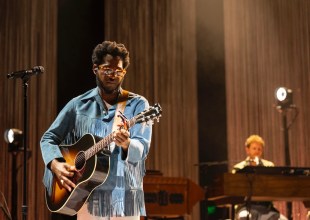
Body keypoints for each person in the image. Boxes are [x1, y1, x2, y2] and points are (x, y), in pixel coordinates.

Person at [40, 41, 152, 220]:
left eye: (119, 71)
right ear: (95, 69)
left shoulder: (138, 105)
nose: (113, 75)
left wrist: (127, 143)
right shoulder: (78, 105)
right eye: (107, 69)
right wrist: (56, 164)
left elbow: (141, 151)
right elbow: (48, 138)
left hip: (125, 198)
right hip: (87, 197)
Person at [232, 135, 286, 220]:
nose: (257, 151)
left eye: (259, 149)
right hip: (245, 206)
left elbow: (274, 186)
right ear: (247, 150)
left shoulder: (269, 166)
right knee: (245, 217)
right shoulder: (239, 167)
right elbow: (234, 189)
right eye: (254, 148)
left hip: (266, 207)